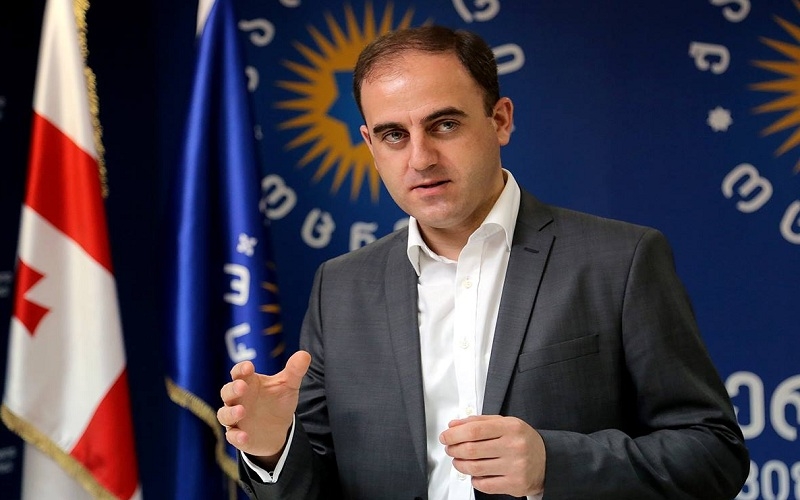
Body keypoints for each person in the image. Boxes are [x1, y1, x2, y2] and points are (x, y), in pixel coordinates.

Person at [217, 25, 749, 499]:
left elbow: (714, 454)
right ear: (370, 145)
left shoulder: (620, 261)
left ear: (500, 120)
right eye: (393, 135)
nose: (420, 158)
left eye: (444, 124)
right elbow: (315, 484)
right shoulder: (340, 287)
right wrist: (273, 448)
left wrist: (552, 465)